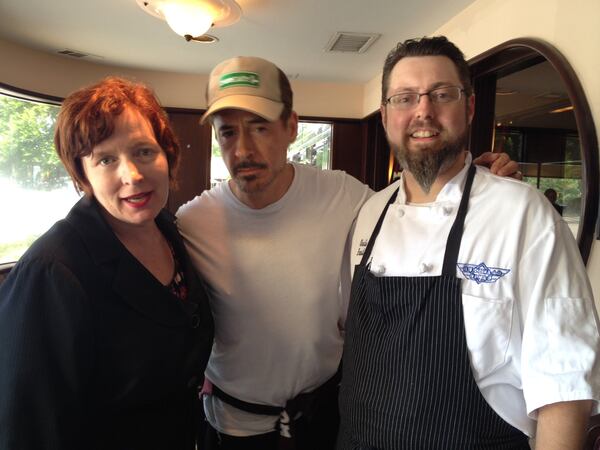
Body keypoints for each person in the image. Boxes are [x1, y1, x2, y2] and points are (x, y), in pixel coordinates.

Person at [176, 56, 519, 450]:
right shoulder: (193, 223)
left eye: (260, 127)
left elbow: (419, 219)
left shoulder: (344, 195)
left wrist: (474, 187)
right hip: (234, 427)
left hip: (325, 417)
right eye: (228, 133)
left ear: (291, 127)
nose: (243, 150)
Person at [338, 36, 600, 449]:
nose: (423, 110)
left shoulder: (523, 214)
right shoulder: (370, 212)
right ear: (385, 115)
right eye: (405, 98)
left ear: (470, 107)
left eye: (442, 94)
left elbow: (564, 388)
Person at [0, 77, 214, 450]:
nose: (132, 175)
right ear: (83, 175)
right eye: (106, 159)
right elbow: (27, 427)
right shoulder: (52, 269)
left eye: (144, 152)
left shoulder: (170, 229)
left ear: (168, 155)